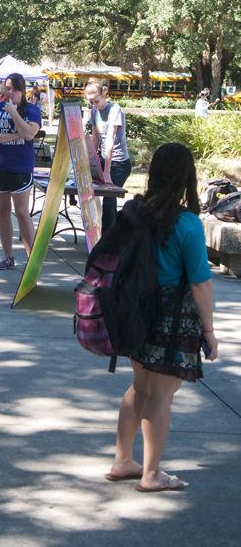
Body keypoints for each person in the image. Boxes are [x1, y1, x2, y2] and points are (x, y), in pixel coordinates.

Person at [107, 142, 218, 491]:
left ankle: (123, 460)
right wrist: (210, 331)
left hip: (135, 309)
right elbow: (200, 283)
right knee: (161, 396)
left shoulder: (136, 211)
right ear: (187, 177)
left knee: (140, 388)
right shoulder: (186, 224)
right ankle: (151, 474)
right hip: (171, 316)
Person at [0, 72, 41, 269]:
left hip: (20, 168)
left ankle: (32, 261)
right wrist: (15, 134)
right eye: (8, 89)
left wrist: (14, 113)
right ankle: (8, 257)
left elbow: (29, 134)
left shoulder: (31, 110)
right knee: (3, 212)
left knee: (23, 213)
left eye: (15, 89)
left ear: (23, 90)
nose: (11, 93)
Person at [84, 78, 132, 234]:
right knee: (93, 195)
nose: (94, 105)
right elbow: (96, 138)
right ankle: (99, 234)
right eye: (90, 102)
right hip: (103, 159)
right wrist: (90, 158)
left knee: (109, 199)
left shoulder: (114, 110)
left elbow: (110, 139)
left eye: (96, 101)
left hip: (118, 163)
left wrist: (106, 171)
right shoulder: (94, 111)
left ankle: (108, 239)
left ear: (104, 94)